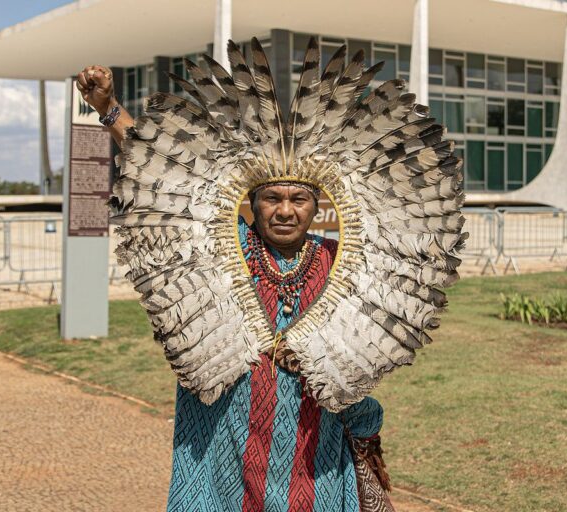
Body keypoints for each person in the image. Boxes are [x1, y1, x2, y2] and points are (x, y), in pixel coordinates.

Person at [76, 65, 387, 511]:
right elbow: (161, 175)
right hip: (225, 443)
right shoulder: (224, 245)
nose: (284, 211)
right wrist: (108, 108)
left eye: (297, 199)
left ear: (315, 206)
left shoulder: (342, 260)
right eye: (270, 199)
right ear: (252, 203)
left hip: (313, 451)